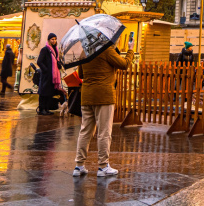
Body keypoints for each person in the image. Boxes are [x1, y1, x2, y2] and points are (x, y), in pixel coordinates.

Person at [73, 36, 135, 178]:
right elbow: (124, 64)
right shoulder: (107, 50)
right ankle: (103, 166)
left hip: (87, 96)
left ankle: (79, 166)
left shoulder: (85, 51)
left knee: (85, 131)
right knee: (104, 132)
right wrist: (130, 50)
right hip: (104, 96)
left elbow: (81, 74)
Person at [37, 34, 64, 115]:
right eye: (52, 39)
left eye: (55, 39)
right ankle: (42, 109)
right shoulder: (45, 50)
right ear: (48, 40)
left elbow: (55, 61)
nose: (54, 41)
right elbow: (39, 61)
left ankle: (46, 108)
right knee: (43, 92)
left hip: (53, 75)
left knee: (49, 92)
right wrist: (46, 70)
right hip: (46, 75)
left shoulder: (55, 50)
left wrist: (58, 64)